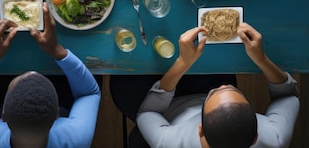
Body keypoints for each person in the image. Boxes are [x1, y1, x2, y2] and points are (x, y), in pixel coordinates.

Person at [112, 22, 299, 148]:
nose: (221, 86)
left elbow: (147, 112)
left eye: (215, 92)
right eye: (230, 89)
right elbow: (287, 96)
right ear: (256, 136)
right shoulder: (274, 138)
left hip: (158, 110)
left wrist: (183, 63)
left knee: (122, 73)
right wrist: (261, 59)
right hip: (196, 90)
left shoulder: (170, 142)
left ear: (200, 130)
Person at [0, 4, 101, 148]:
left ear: (3, 114)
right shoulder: (77, 139)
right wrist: (58, 51)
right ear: (57, 115)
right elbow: (89, 93)